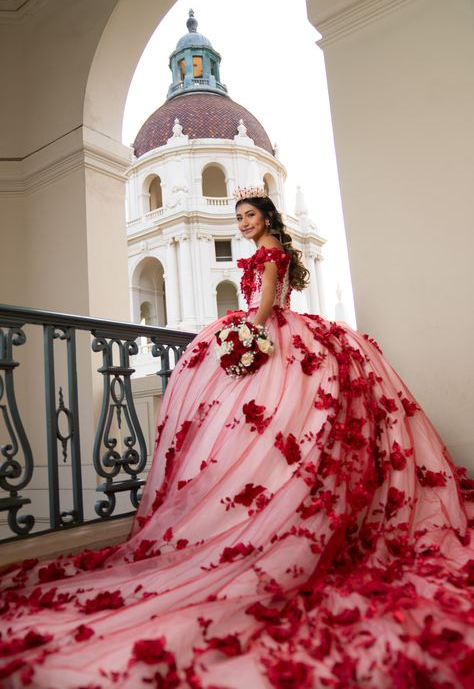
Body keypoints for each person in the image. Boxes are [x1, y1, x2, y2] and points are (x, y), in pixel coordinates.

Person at [1, 186, 473, 689]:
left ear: (267, 216)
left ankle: (265, 505)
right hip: (270, 328)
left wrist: (247, 333)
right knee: (274, 426)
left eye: (250, 215)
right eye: (240, 217)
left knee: (272, 422)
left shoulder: (269, 254)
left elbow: (267, 303)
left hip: (269, 329)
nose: (244, 223)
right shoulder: (265, 251)